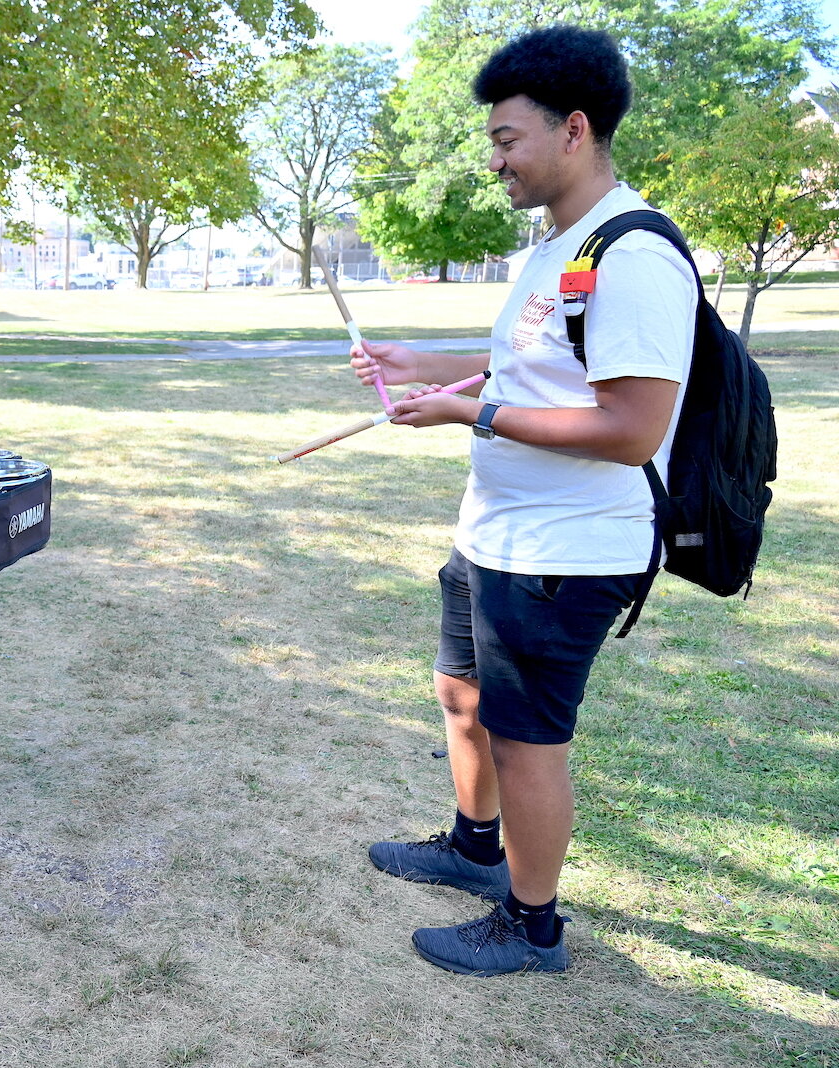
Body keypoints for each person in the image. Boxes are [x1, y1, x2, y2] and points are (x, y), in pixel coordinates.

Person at [350, 26, 694, 974]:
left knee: (528, 738)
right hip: (496, 533)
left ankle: (532, 926)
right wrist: (424, 367)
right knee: (463, 696)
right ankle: (473, 847)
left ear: (574, 129)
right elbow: (531, 362)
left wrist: (478, 414)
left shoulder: (634, 253)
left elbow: (633, 429)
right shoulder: (555, 245)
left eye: (507, 139)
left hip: (565, 552)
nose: (494, 159)